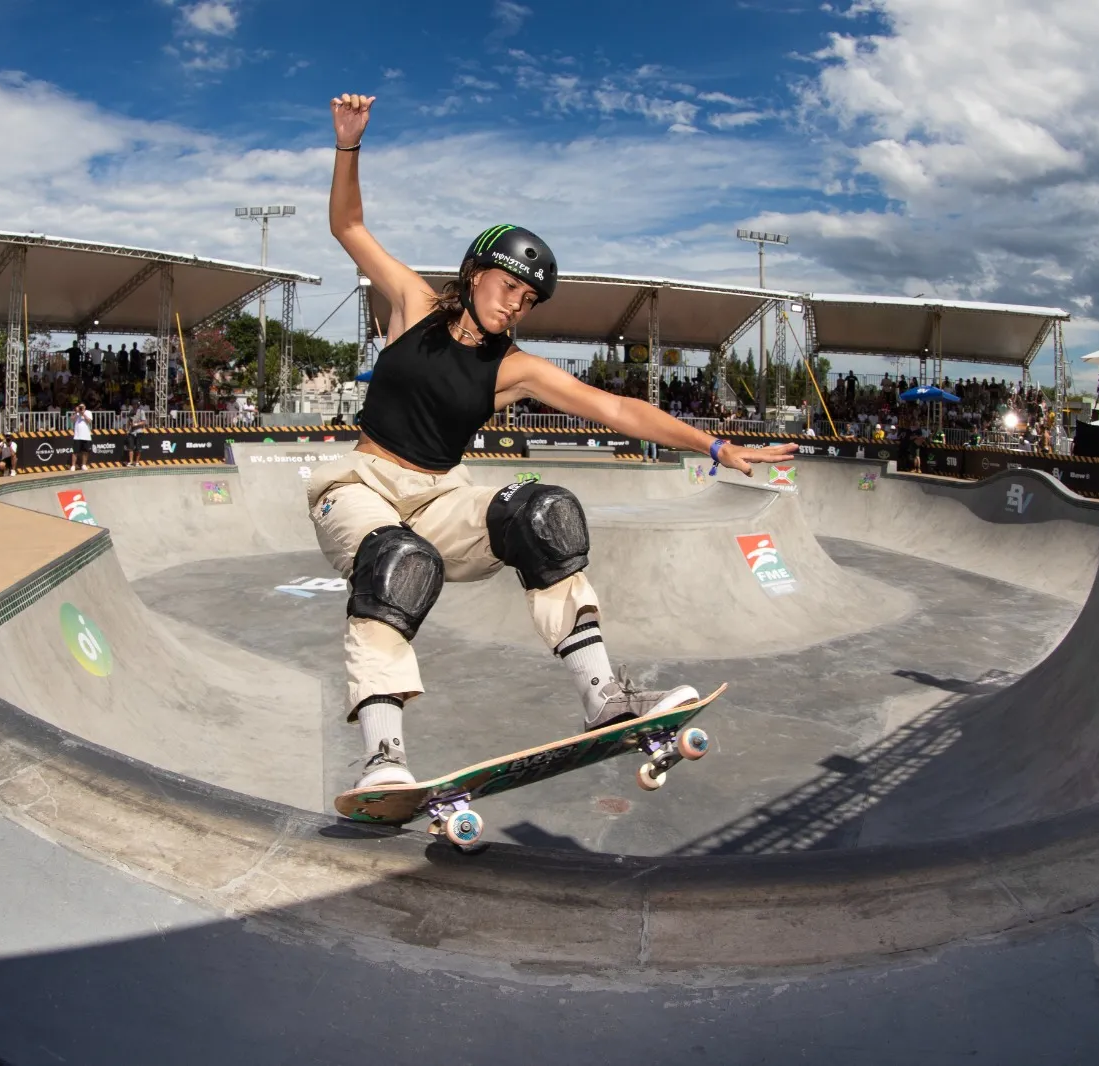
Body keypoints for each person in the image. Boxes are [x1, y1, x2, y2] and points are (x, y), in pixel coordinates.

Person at [318, 92, 796, 790]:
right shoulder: (414, 304)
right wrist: (348, 144)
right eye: (510, 287)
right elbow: (348, 225)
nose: (516, 305)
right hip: (360, 486)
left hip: (440, 498)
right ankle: (383, 758)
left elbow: (618, 409)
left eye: (529, 300)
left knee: (543, 515)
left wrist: (716, 447)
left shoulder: (516, 369)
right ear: (476, 272)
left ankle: (604, 699)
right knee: (396, 563)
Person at [70, 403, 93, 472]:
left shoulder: (88, 412)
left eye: (82, 407)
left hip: (86, 436)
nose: (81, 408)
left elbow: (89, 421)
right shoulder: (77, 413)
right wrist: (77, 413)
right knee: (75, 451)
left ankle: (83, 465)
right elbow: (71, 420)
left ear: (85, 407)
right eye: (80, 406)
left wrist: (83, 414)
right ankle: (73, 465)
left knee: (85, 451)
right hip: (77, 436)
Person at [126, 401, 149, 467]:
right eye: (133, 404)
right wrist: (127, 429)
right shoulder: (130, 411)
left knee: (138, 448)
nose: (134, 405)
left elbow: (144, 422)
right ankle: (131, 462)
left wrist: (136, 424)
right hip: (131, 432)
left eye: (135, 404)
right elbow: (129, 421)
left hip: (139, 431)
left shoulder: (141, 411)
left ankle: (137, 462)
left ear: (138, 405)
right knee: (130, 447)